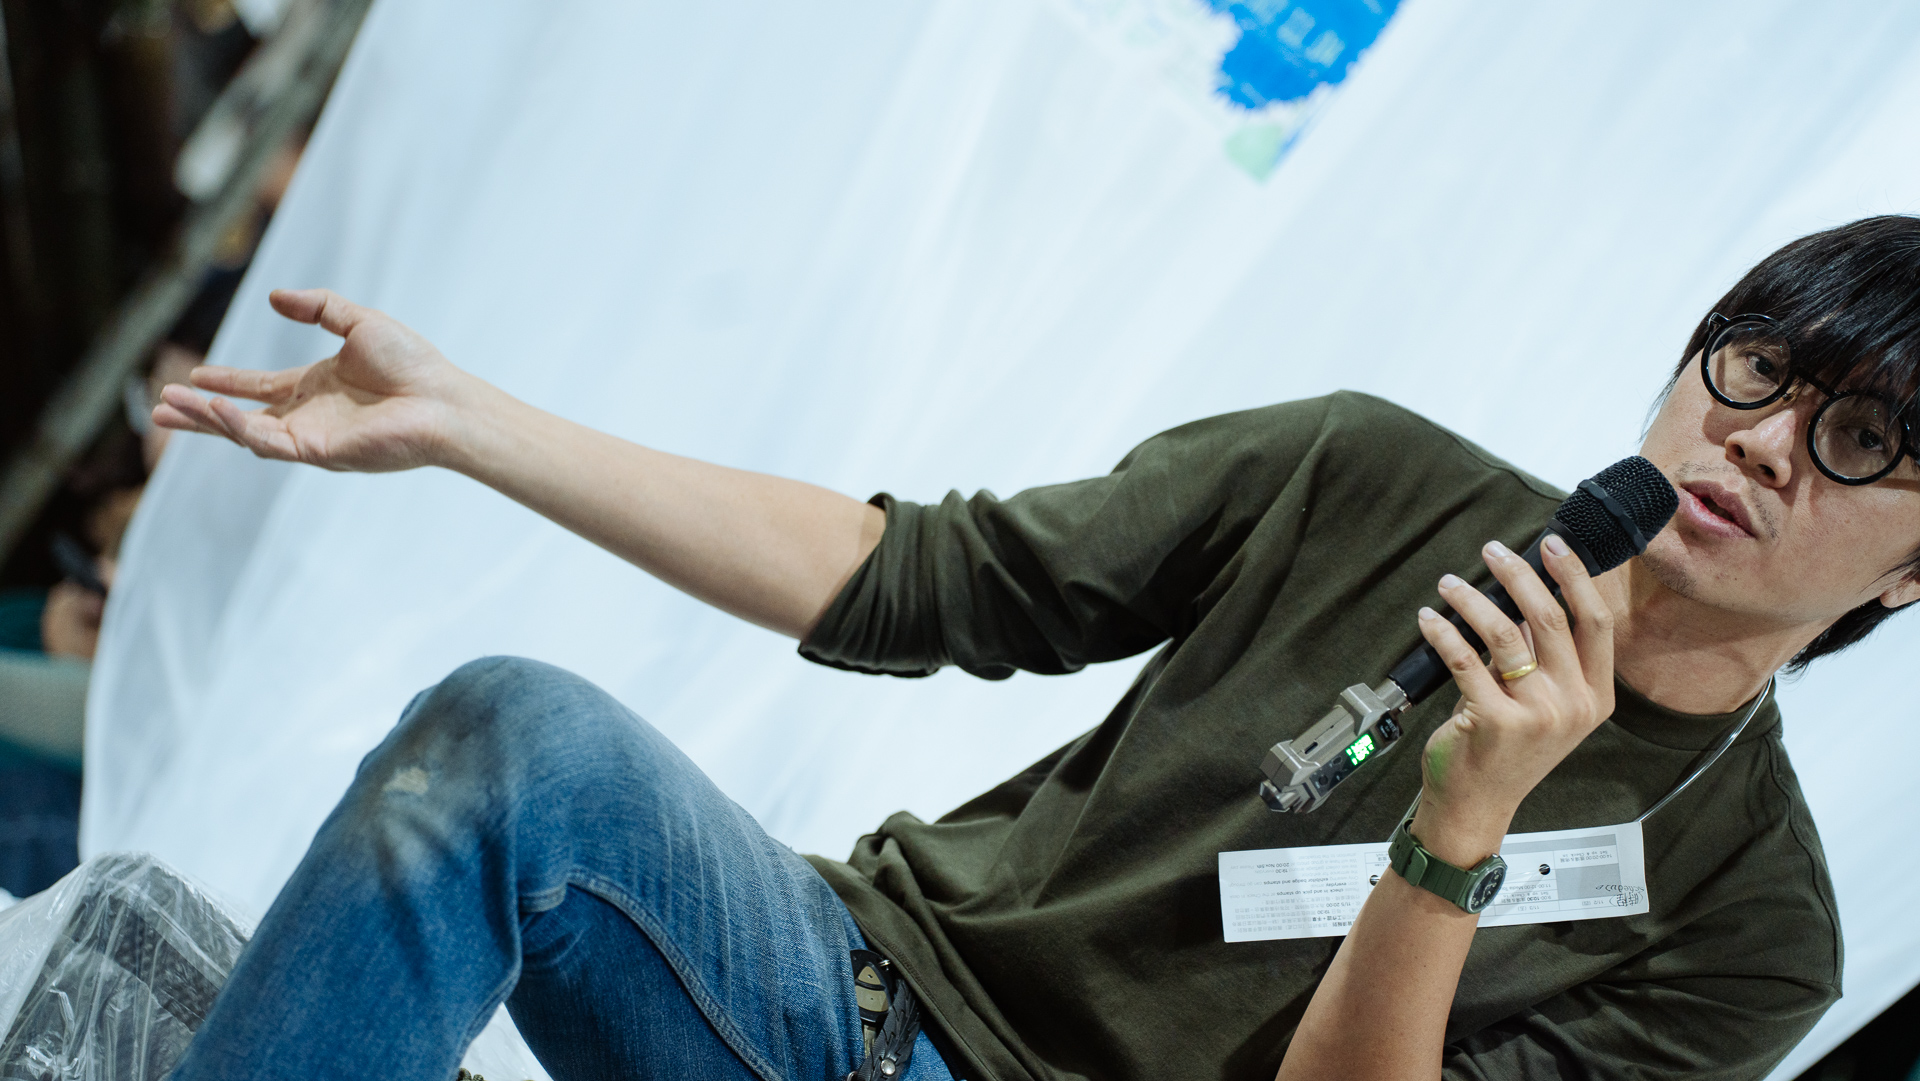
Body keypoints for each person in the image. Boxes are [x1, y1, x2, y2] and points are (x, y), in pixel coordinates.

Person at [146, 216, 1920, 1081]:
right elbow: (912, 571)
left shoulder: (1754, 923)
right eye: (1759, 365)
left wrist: (1455, 836)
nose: (1765, 439)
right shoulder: (1369, 475)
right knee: (509, 740)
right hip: (851, 992)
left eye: (1859, 438)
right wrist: (471, 423)